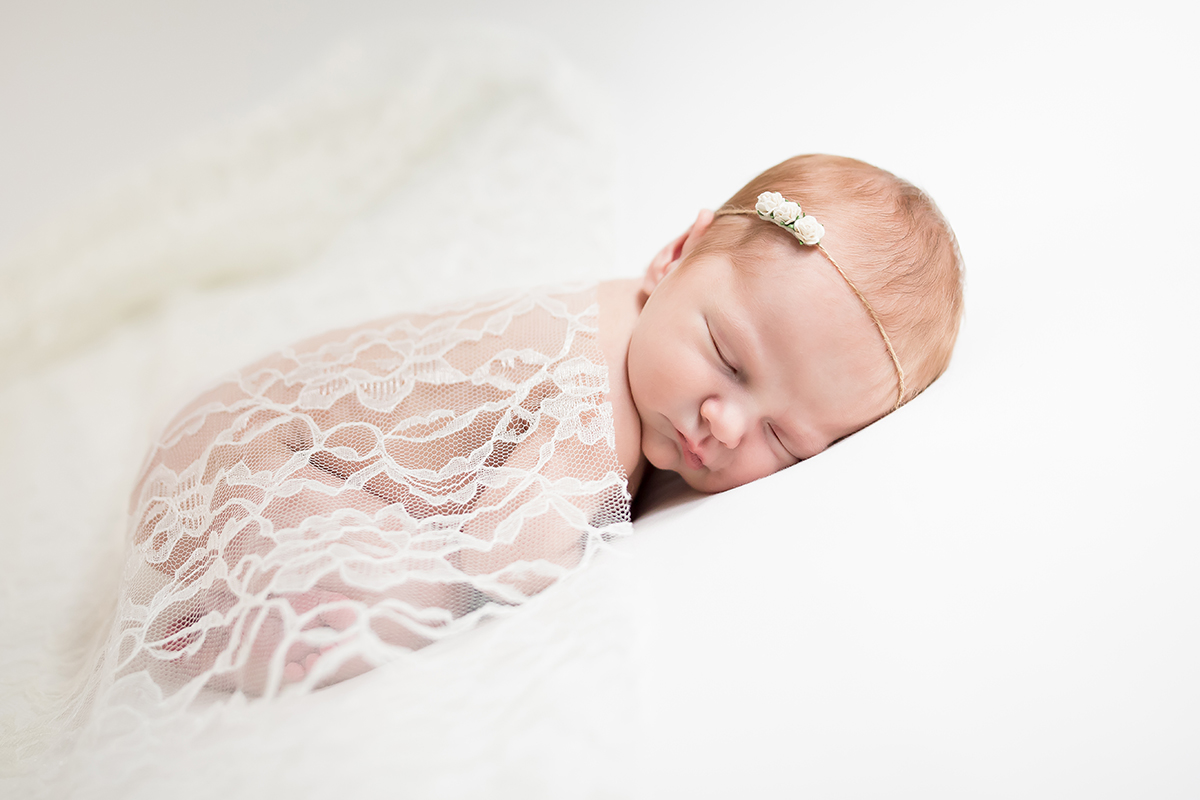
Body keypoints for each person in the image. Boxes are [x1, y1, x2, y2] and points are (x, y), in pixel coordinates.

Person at [116, 153, 963, 697]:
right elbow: (501, 560)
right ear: (674, 254)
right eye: (728, 359)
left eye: (785, 438)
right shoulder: (601, 400)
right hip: (251, 469)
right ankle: (232, 631)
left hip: (229, 427)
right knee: (413, 595)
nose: (729, 422)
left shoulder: (631, 319)